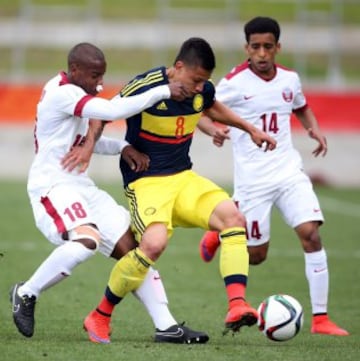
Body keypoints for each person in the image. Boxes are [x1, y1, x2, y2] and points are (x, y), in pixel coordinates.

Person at [78, 37, 277, 344]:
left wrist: (249, 128)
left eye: (204, 82)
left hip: (183, 178)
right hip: (146, 182)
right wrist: (89, 148)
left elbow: (211, 106)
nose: (200, 87)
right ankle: (100, 315)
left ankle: (237, 305)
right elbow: (104, 111)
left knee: (233, 218)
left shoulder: (201, 89)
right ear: (179, 67)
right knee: (152, 245)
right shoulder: (146, 85)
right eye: (196, 80)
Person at [9, 42, 210, 345]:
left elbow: (78, 142)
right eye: (94, 76)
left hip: (80, 185)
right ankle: (26, 292)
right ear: (75, 70)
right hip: (52, 186)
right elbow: (113, 110)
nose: (100, 84)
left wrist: (122, 147)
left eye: (102, 76)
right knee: (85, 242)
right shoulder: (62, 93)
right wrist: (163, 91)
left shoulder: (75, 90)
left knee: (135, 250)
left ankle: (166, 326)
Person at [198, 17, 349, 336]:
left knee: (311, 234)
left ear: (278, 47)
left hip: (288, 172)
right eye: (256, 47)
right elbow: (201, 107)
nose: (262, 53)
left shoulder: (290, 80)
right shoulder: (233, 82)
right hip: (253, 182)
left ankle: (321, 319)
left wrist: (314, 129)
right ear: (246, 48)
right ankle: (218, 231)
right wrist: (213, 129)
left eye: (269, 46)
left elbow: (301, 106)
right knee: (256, 256)